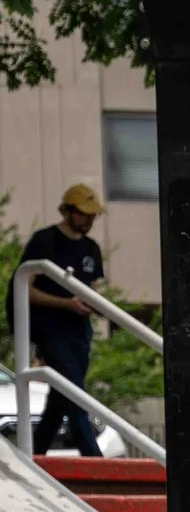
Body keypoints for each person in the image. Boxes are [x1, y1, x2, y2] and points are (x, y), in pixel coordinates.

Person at [17, 184, 108, 457]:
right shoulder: (45, 241)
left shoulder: (91, 248)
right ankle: (95, 459)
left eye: (93, 215)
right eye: (83, 214)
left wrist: (98, 306)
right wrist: (65, 304)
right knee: (73, 393)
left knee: (59, 401)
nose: (89, 220)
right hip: (51, 330)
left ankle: (35, 455)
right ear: (68, 211)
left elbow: (91, 290)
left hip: (80, 332)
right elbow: (25, 287)